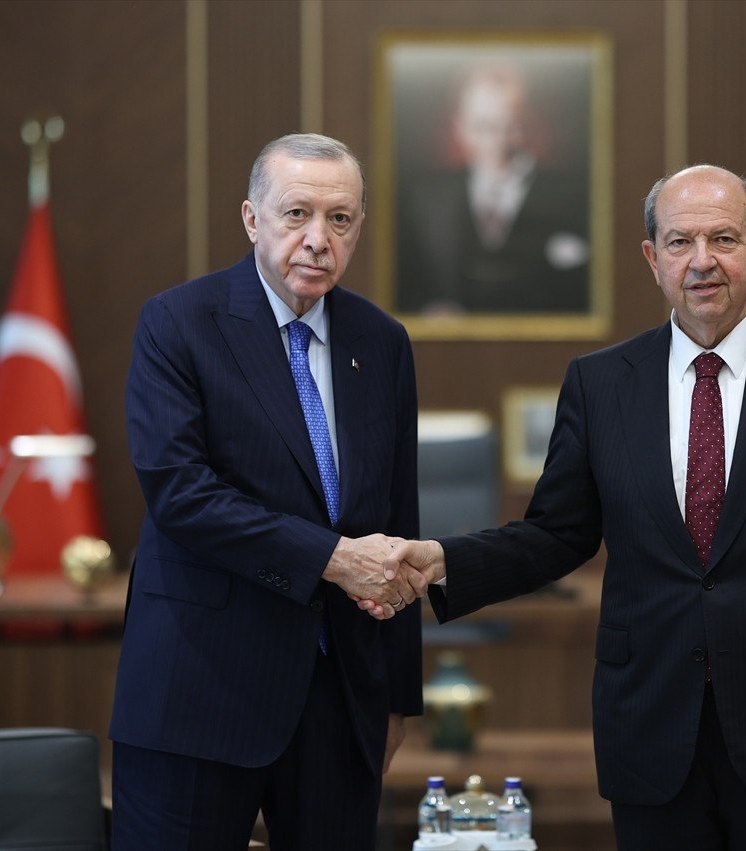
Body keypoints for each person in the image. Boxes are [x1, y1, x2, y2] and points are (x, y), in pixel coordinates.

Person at [373, 165, 746, 849]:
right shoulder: (601, 383)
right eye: (680, 242)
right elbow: (556, 534)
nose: (702, 261)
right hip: (654, 727)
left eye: (723, 239)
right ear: (653, 259)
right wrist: (443, 560)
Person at [110, 134, 424, 850]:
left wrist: (397, 698)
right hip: (200, 689)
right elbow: (182, 494)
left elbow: (398, 521)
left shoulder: (382, 341)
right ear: (253, 219)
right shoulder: (178, 322)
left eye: (339, 219)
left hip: (339, 700)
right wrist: (333, 559)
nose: (318, 239)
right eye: (296, 214)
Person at [396, 61, 591, 315]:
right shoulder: (428, 200)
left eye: (510, 126)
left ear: (530, 125)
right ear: (460, 127)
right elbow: (405, 284)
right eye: (483, 126)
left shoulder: (574, 198)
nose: (496, 141)